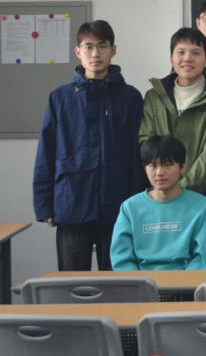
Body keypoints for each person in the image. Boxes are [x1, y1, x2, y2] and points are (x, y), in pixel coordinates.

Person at [33, 20, 145, 271]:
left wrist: (139, 203)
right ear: (78, 51)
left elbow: (137, 154)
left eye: (102, 46)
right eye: (88, 47)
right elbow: (46, 152)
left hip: (118, 205)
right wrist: (44, 204)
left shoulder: (129, 97)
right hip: (71, 202)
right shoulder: (60, 98)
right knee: (73, 284)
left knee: (119, 281)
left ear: (113, 50)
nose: (95, 54)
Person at [139, 28, 206, 203]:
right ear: (171, 59)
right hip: (160, 195)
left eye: (195, 53)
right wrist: (163, 183)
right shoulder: (154, 97)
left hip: (204, 198)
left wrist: (182, 189)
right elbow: (146, 142)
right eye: (181, 52)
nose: (187, 58)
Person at [110, 135, 206, 270]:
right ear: (145, 168)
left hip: (187, 282)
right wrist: (141, 282)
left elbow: (201, 258)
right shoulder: (130, 208)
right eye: (153, 165)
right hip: (140, 282)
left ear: (182, 166)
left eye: (167, 164)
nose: (159, 172)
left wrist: (181, 283)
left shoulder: (203, 207)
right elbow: (121, 259)